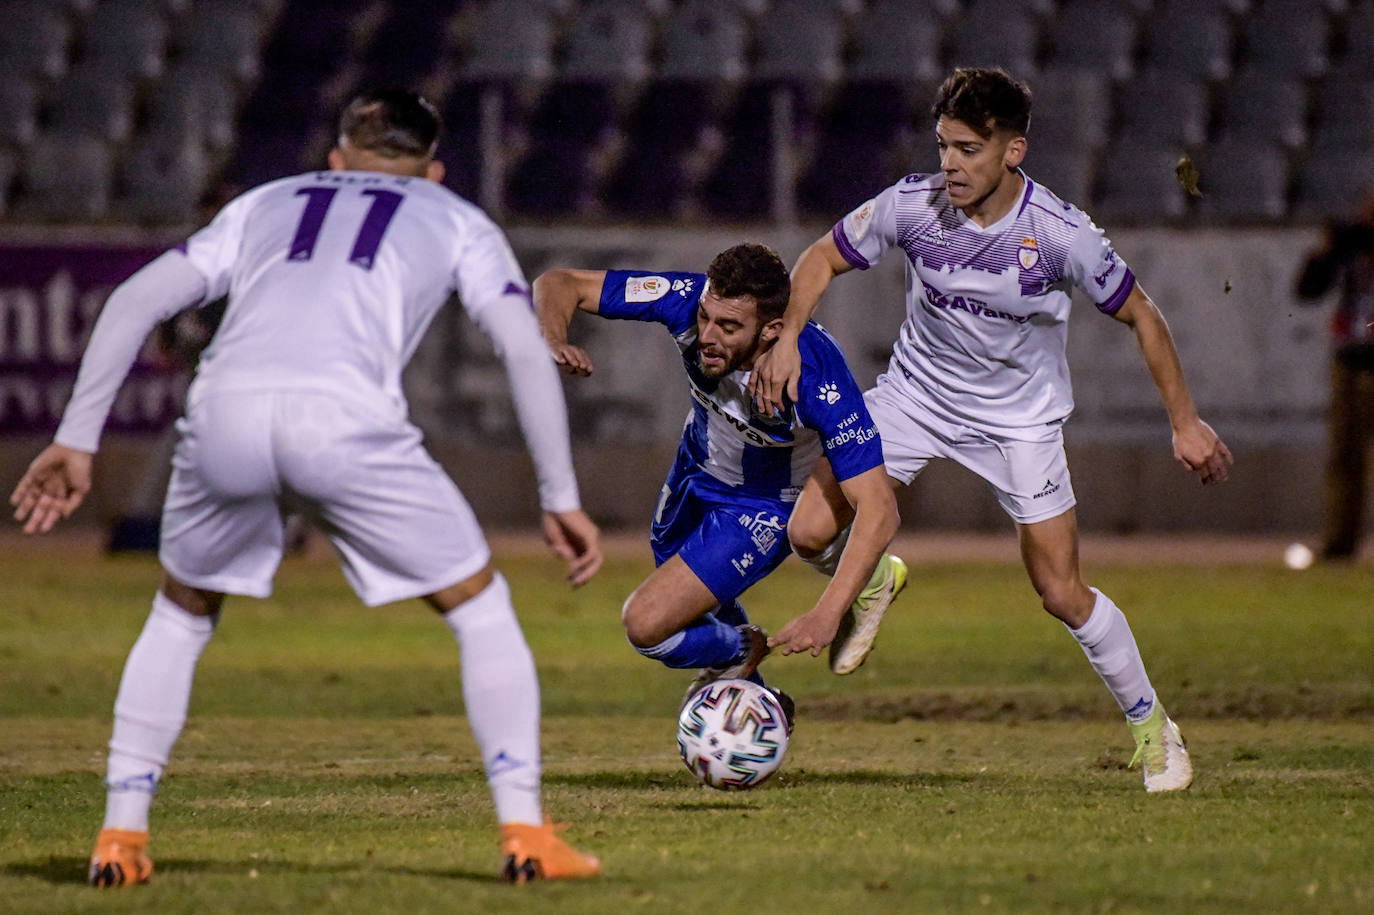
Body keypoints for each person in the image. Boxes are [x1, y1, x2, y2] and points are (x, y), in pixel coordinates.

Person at [10, 89, 603, 885]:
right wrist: (558, 493)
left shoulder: (263, 202)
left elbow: (133, 299)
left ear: (335, 159)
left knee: (181, 613)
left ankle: (120, 836)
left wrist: (76, 439)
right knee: (479, 605)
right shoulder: (455, 217)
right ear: (433, 170)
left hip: (225, 412)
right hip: (345, 420)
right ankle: (527, 831)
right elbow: (525, 349)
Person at [751, 68, 1234, 793]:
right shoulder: (913, 206)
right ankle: (877, 575)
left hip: (1020, 422)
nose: (949, 163)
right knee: (808, 529)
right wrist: (787, 334)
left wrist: (1184, 419)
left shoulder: (1059, 234)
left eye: (969, 149)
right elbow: (821, 255)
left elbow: (1143, 314)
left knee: (1061, 591)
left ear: (1014, 151)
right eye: (944, 145)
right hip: (915, 397)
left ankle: (1152, 727)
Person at [532, 243, 902, 718]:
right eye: (706, 317)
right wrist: (552, 337)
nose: (706, 335)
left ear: (772, 331)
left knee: (647, 625)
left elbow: (879, 508)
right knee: (690, 609)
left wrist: (828, 613)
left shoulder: (816, 376)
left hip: (764, 505)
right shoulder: (686, 300)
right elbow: (559, 281)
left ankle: (743, 652)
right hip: (694, 473)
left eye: (728, 327)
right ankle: (757, 704)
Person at [1295, 185, 1374, 562]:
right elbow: (1308, 290)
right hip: (1351, 358)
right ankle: (1340, 542)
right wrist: (1326, 253)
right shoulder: (1350, 250)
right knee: (1345, 455)